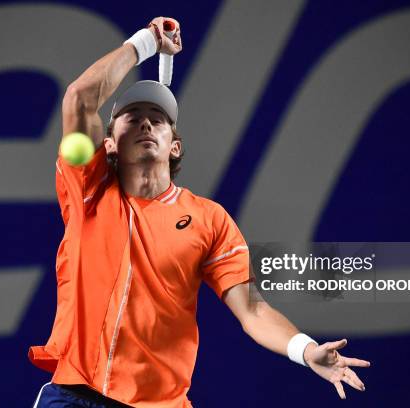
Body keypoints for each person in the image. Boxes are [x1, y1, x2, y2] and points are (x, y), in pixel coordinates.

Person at [29, 16, 371, 408]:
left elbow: (252, 309)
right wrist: (146, 41)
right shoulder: (87, 191)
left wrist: (305, 349)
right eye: (132, 117)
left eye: (157, 120)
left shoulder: (208, 219)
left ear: (173, 146)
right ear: (108, 144)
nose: (145, 123)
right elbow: (79, 97)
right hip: (75, 394)